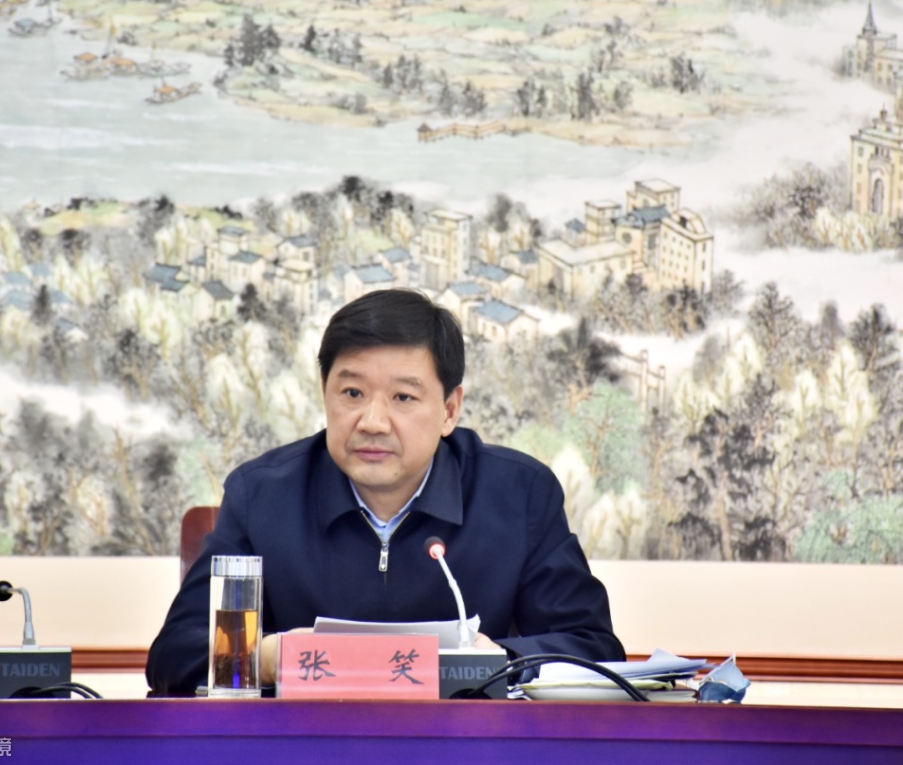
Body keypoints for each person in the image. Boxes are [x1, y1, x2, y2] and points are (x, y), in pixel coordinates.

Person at [146, 288, 624, 696]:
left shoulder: (519, 495)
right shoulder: (261, 495)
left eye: (403, 397)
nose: (373, 422)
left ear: (449, 410)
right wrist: (264, 657)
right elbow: (175, 656)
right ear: (325, 391)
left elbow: (594, 649)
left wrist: (499, 659)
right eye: (352, 393)